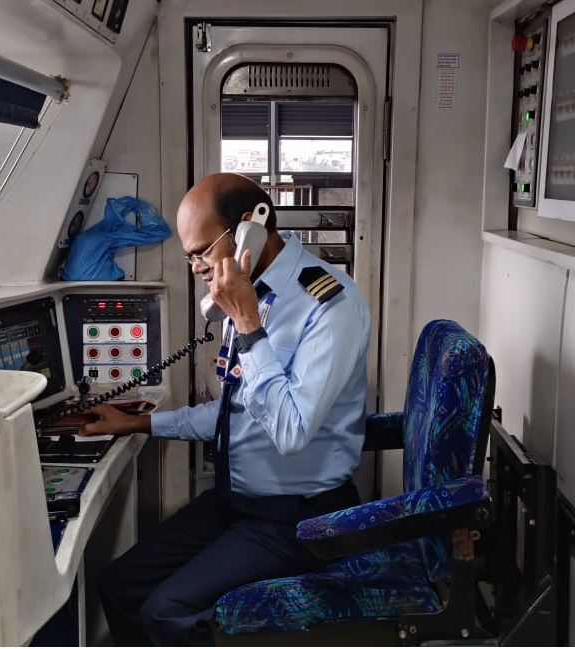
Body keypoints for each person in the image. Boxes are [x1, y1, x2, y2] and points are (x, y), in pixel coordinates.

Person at [82, 172, 370, 645]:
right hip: (236, 503)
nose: (195, 267)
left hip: (296, 518)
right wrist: (137, 422)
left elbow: (291, 431)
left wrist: (248, 323)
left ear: (248, 229)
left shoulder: (328, 304)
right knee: (119, 583)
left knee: (165, 611)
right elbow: (235, 412)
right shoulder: (247, 288)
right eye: (189, 256)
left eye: (200, 252)